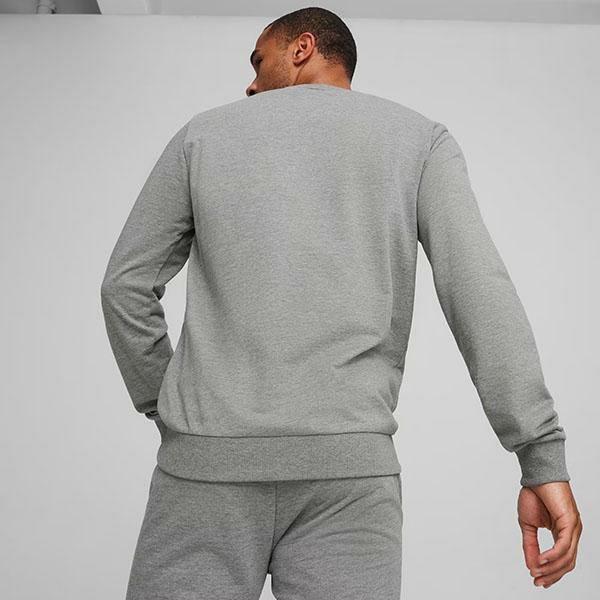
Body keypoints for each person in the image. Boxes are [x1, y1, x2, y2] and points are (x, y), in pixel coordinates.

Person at [100, 7, 582, 599]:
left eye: (259, 61)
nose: (250, 84)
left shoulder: (202, 136)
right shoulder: (419, 141)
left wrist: (173, 408)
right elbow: (480, 291)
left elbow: (124, 284)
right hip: (351, 481)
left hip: (204, 473)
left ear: (302, 48)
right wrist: (540, 457)